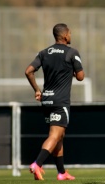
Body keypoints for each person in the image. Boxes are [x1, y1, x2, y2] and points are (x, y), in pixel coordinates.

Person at [25, 23, 84, 181]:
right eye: (70, 33)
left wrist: (37, 90)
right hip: (60, 101)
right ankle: (37, 163)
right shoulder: (72, 52)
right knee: (55, 135)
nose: (70, 35)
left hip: (47, 100)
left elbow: (28, 71)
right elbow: (80, 76)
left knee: (59, 135)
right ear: (65, 36)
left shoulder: (44, 52)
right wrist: (70, 71)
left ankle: (62, 172)